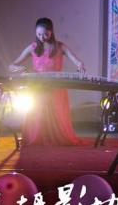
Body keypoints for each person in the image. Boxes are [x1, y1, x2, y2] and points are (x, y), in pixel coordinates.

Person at [8, 17, 85, 146]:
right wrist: (18, 68)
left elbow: (77, 61)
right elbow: (11, 65)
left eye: (45, 34)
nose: (42, 37)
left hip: (56, 87)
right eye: (39, 34)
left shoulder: (60, 47)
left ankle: (57, 139)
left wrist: (80, 64)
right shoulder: (33, 47)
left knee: (57, 114)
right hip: (38, 88)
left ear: (51, 32)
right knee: (37, 114)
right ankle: (37, 138)